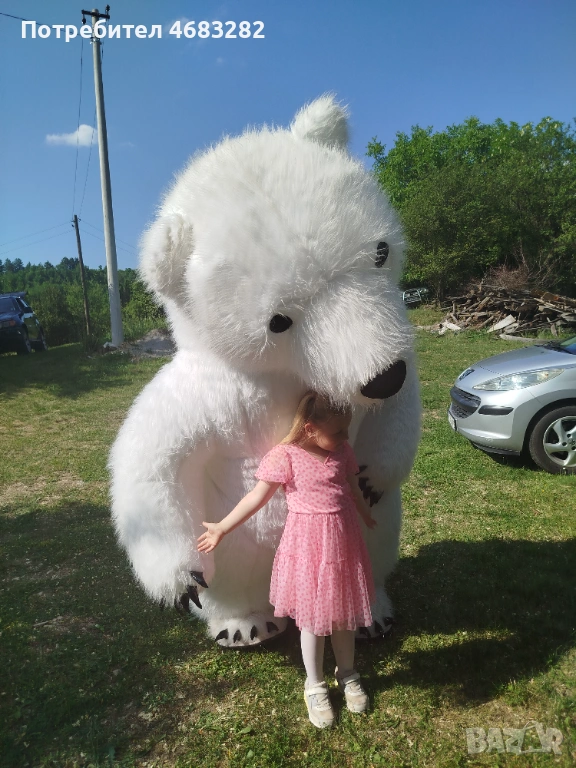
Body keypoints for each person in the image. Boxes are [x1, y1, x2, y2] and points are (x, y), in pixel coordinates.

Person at [197, 391, 377, 728]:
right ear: (310, 428)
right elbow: (256, 498)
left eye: (346, 430)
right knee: (312, 620)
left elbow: (353, 487)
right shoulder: (285, 456)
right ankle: (315, 685)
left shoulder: (342, 451)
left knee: (343, 615)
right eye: (338, 431)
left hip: (343, 546)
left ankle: (347, 672)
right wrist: (222, 527)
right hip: (308, 549)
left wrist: (366, 515)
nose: (345, 437)